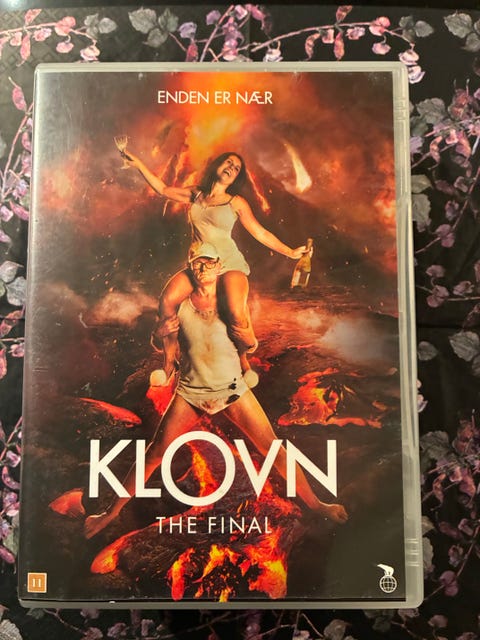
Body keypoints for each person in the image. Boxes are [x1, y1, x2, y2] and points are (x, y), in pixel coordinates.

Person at [84, 243, 347, 539]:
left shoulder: (230, 303)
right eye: (198, 263)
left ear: (219, 266)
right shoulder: (179, 306)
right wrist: (157, 335)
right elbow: (164, 348)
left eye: (209, 263)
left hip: (232, 389)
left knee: (274, 449)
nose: (203, 268)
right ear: (190, 266)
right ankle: (110, 514)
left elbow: (248, 343)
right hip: (190, 392)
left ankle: (318, 505)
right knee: (155, 453)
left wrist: (249, 340)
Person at [121, 148, 307, 387]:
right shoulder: (196, 194)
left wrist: (290, 252)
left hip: (229, 263)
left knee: (235, 312)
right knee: (167, 301)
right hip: (199, 263)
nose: (231, 168)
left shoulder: (235, 202)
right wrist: (138, 164)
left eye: (236, 168)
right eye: (228, 162)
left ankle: (243, 362)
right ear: (218, 165)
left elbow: (260, 232)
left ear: (236, 177)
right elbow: (163, 189)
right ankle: (169, 363)